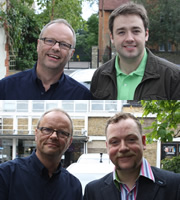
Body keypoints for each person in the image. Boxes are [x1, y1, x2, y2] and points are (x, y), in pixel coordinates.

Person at [90, 2, 180, 100]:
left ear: (146, 34)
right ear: (112, 37)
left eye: (136, 31)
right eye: (121, 32)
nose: (129, 38)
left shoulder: (173, 77)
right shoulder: (99, 76)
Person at [84, 112, 180, 200]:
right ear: (107, 147)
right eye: (114, 142)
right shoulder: (92, 192)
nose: (123, 148)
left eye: (131, 139)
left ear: (143, 142)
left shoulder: (175, 185)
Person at [0, 108, 83, 200]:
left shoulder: (74, 187)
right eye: (47, 129)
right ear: (36, 134)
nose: (54, 136)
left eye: (62, 132)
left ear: (70, 141)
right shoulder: (6, 175)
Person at [0, 19, 92, 100]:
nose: (56, 48)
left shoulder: (82, 96)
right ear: (38, 45)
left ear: (71, 54)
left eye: (64, 44)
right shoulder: (5, 88)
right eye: (50, 41)